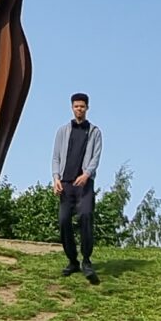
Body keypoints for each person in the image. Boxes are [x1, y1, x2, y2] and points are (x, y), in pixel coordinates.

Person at [52, 92, 103, 282]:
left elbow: (96, 157)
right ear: (72, 108)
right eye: (76, 106)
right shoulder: (62, 131)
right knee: (64, 220)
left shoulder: (95, 132)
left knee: (86, 217)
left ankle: (87, 260)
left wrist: (87, 174)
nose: (79, 109)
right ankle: (72, 260)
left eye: (82, 106)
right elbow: (56, 157)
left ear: (87, 108)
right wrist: (56, 178)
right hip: (66, 184)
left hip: (84, 184)